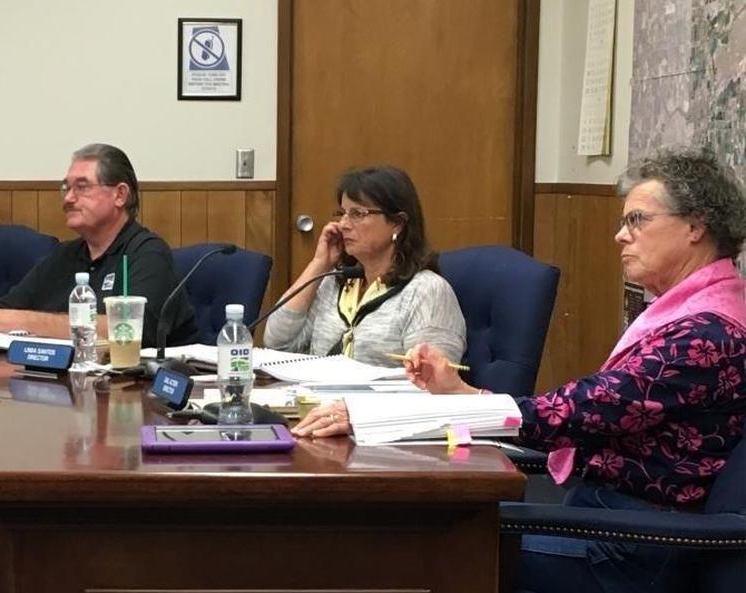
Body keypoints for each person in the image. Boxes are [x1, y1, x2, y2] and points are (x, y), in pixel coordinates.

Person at [294, 147, 746, 593]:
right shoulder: (696, 311)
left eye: (637, 220)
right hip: (607, 517)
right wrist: (462, 395)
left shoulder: (705, 335)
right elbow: (580, 410)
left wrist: (378, 415)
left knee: (408, 546)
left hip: (630, 545)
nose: (620, 236)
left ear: (695, 226)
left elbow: (580, 411)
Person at [0, 143, 198, 346]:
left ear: (120, 195)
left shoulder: (148, 253)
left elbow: (129, 329)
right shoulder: (64, 255)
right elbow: (7, 309)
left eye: (82, 187)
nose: (68, 199)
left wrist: (10, 320)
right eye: (66, 188)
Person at [262, 166, 465, 366]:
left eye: (358, 214)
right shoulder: (334, 282)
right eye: (342, 212)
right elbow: (277, 343)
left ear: (397, 223)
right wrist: (319, 264)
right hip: (322, 398)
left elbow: (431, 379)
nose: (343, 224)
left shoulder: (427, 291)